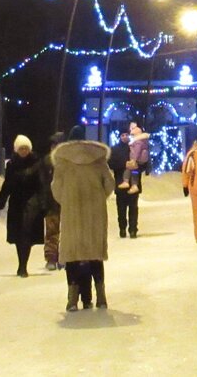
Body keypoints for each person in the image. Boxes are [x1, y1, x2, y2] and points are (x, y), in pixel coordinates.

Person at [51, 126, 114, 311]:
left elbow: (56, 188)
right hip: (95, 212)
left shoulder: (62, 160)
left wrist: (67, 200)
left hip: (72, 213)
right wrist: (99, 197)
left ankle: (72, 300)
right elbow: (109, 183)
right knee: (95, 254)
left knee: (72, 255)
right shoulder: (98, 159)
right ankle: (101, 297)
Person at [0, 135, 45, 277]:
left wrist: (44, 205)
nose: (23, 151)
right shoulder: (12, 165)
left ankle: (23, 266)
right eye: (21, 148)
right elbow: (7, 186)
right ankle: (21, 264)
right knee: (19, 236)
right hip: (16, 204)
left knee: (27, 235)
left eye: (26, 148)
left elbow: (42, 185)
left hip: (32, 204)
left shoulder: (36, 163)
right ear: (16, 150)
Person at [108, 131, 141, 238]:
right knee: (121, 209)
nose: (125, 137)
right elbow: (110, 164)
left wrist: (137, 165)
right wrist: (124, 164)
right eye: (122, 135)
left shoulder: (134, 147)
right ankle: (122, 228)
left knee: (133, 208)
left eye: (127, 134)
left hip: (134, 183)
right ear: (119, 137)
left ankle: (133, 229)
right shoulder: (114, 150)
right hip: (120, 183)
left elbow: (142, 161)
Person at [41, 132, 65, 270]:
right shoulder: (46, 162)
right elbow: (42, 183)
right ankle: (51, 257)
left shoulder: (68, 162)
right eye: (53, 144)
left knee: (66, 230)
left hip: (65, 200)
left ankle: (63, 257)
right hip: (51, 201)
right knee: (51, 230)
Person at [119, 122, 151, 194]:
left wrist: (134, 160)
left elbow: (136, 151)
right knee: (134, 171)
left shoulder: (137, 142)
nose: (129, 136)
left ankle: (126, 181)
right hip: (140, 161)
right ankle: (134, 185)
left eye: (130, 135)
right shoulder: (143, 142)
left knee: (129, 168)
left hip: (138, 160)